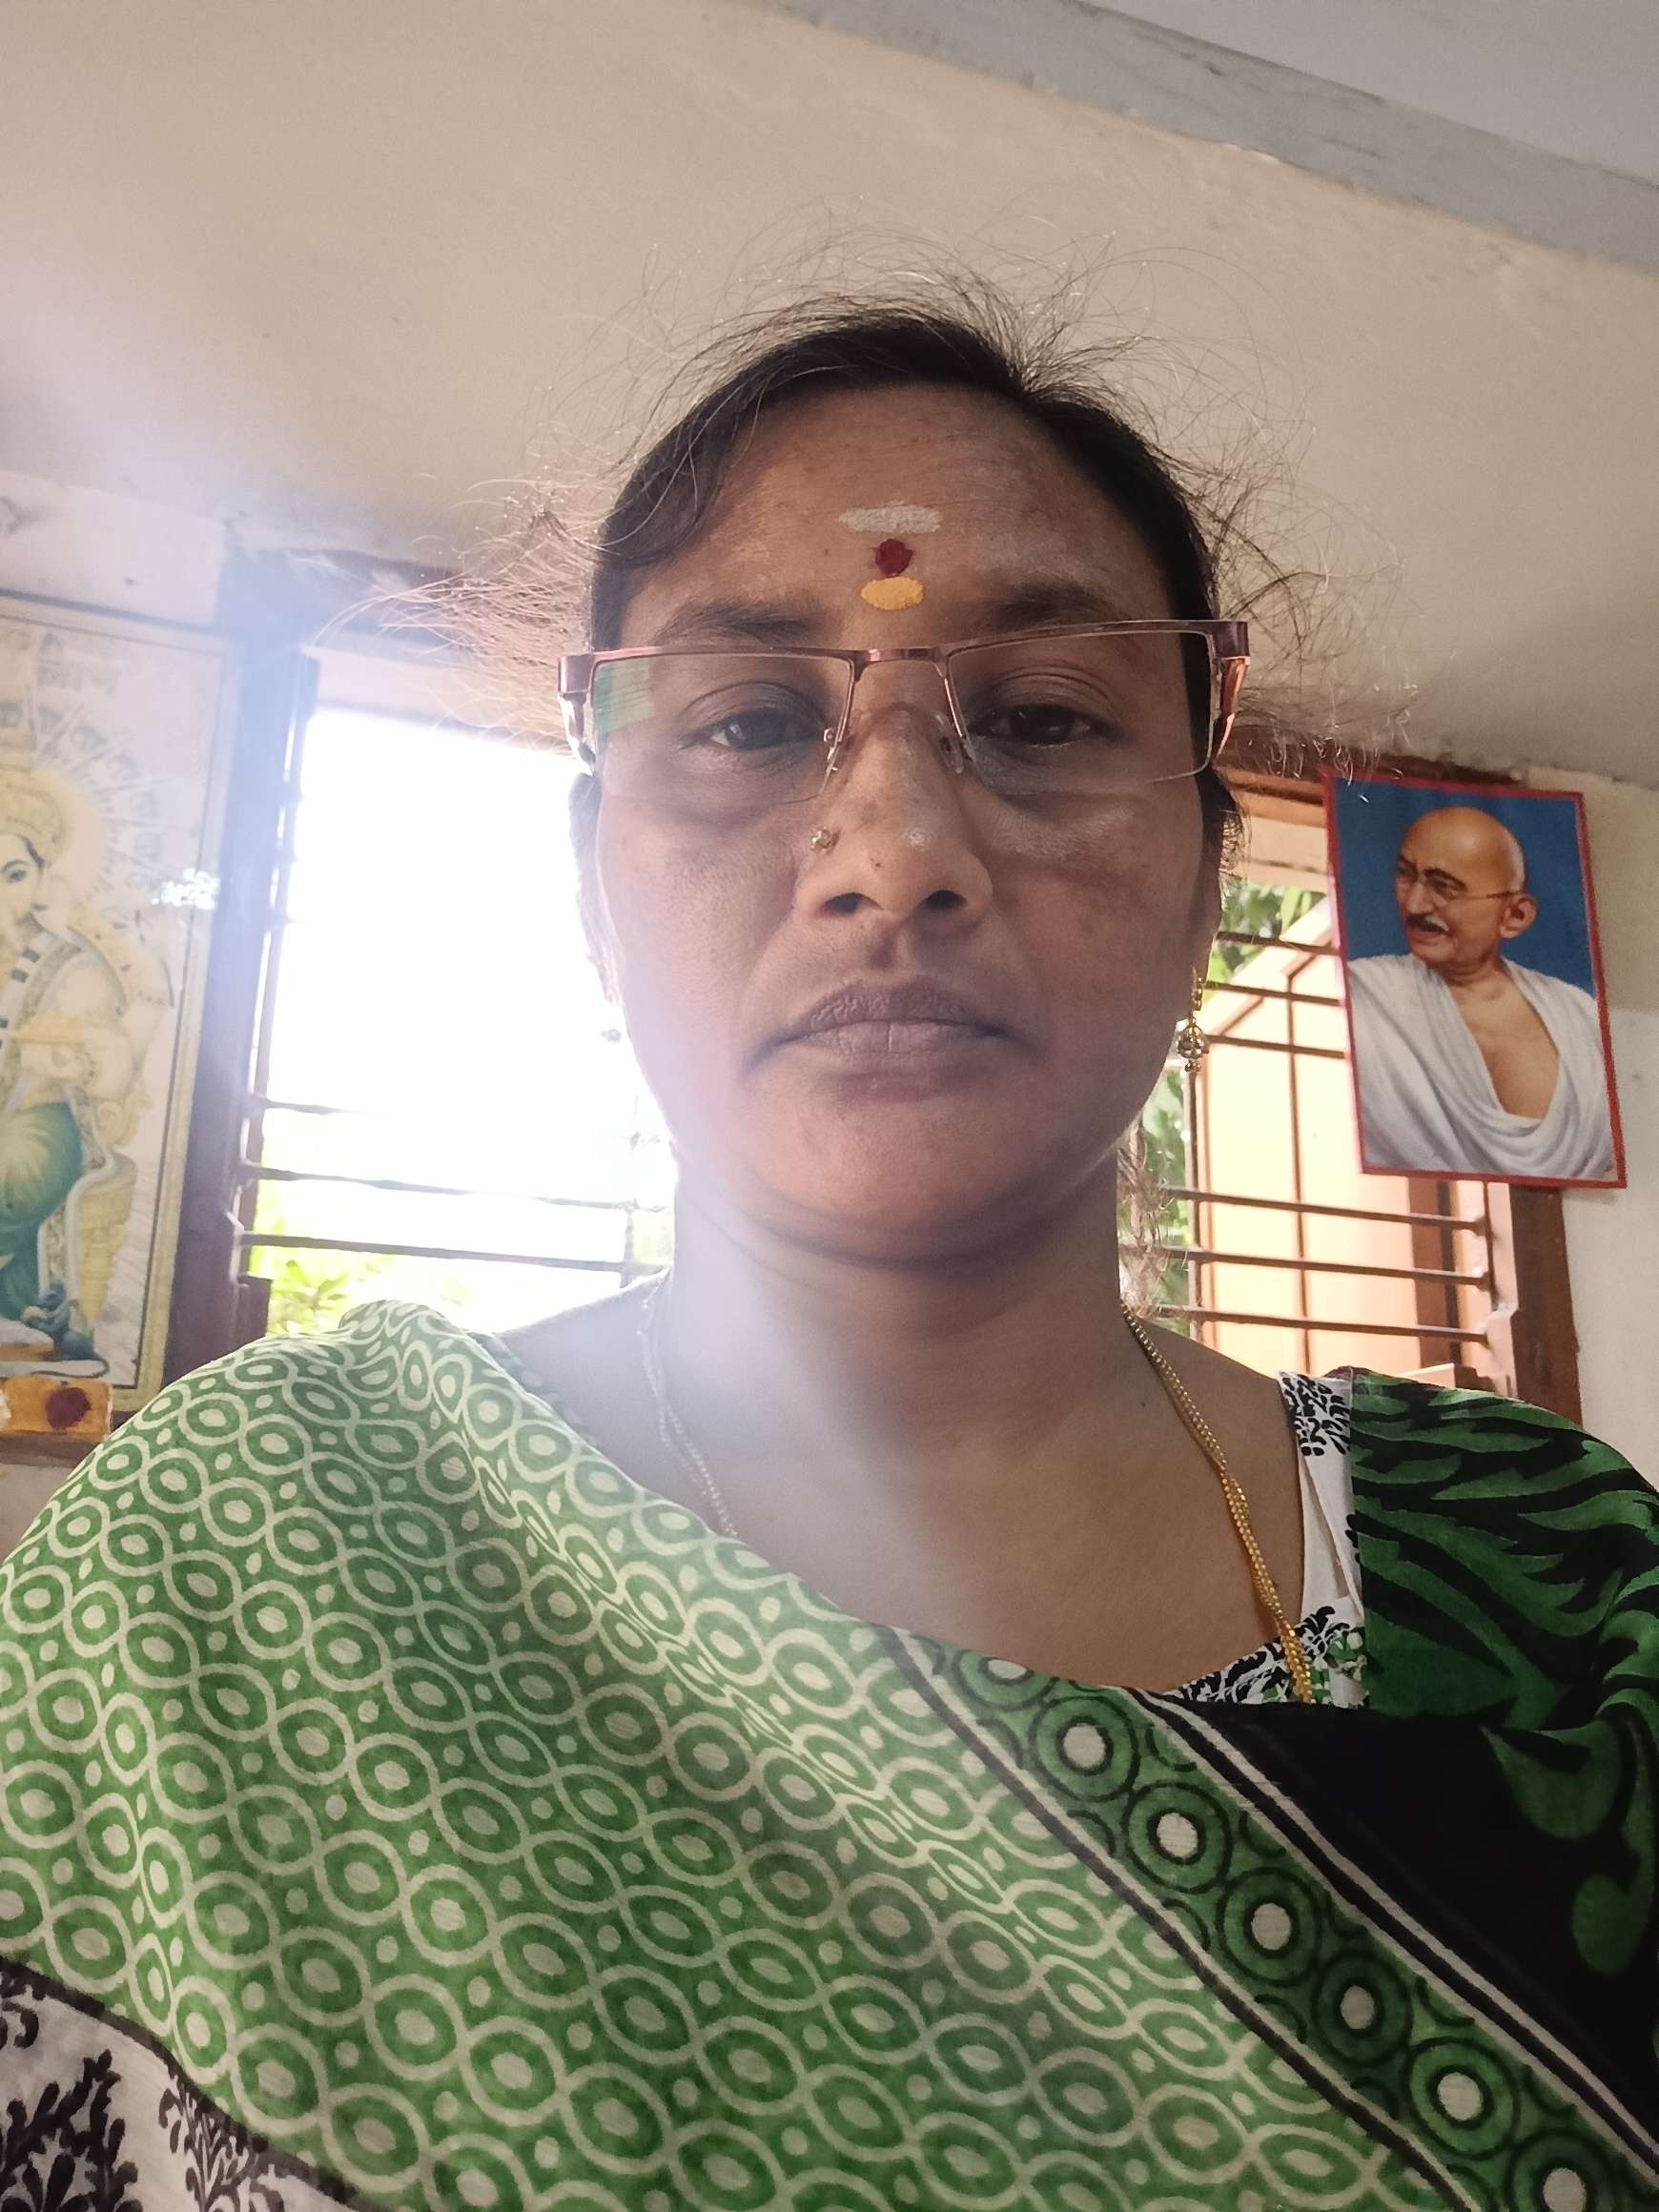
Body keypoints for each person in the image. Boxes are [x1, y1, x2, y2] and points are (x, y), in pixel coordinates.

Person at [1, 297, 1654, 2210]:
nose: (895, 850)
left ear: (1211, 873)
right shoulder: (253, 1547)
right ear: (594, 884)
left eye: (1044, 717)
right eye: (751, 722)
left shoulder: (1547, 1585)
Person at [1345, 802, 1617, 1181]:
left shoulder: (1578, 1015)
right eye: (1405, 876)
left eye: (1444, 887)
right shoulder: (1366, 996)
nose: (1414, 904)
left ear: (1514, 915)